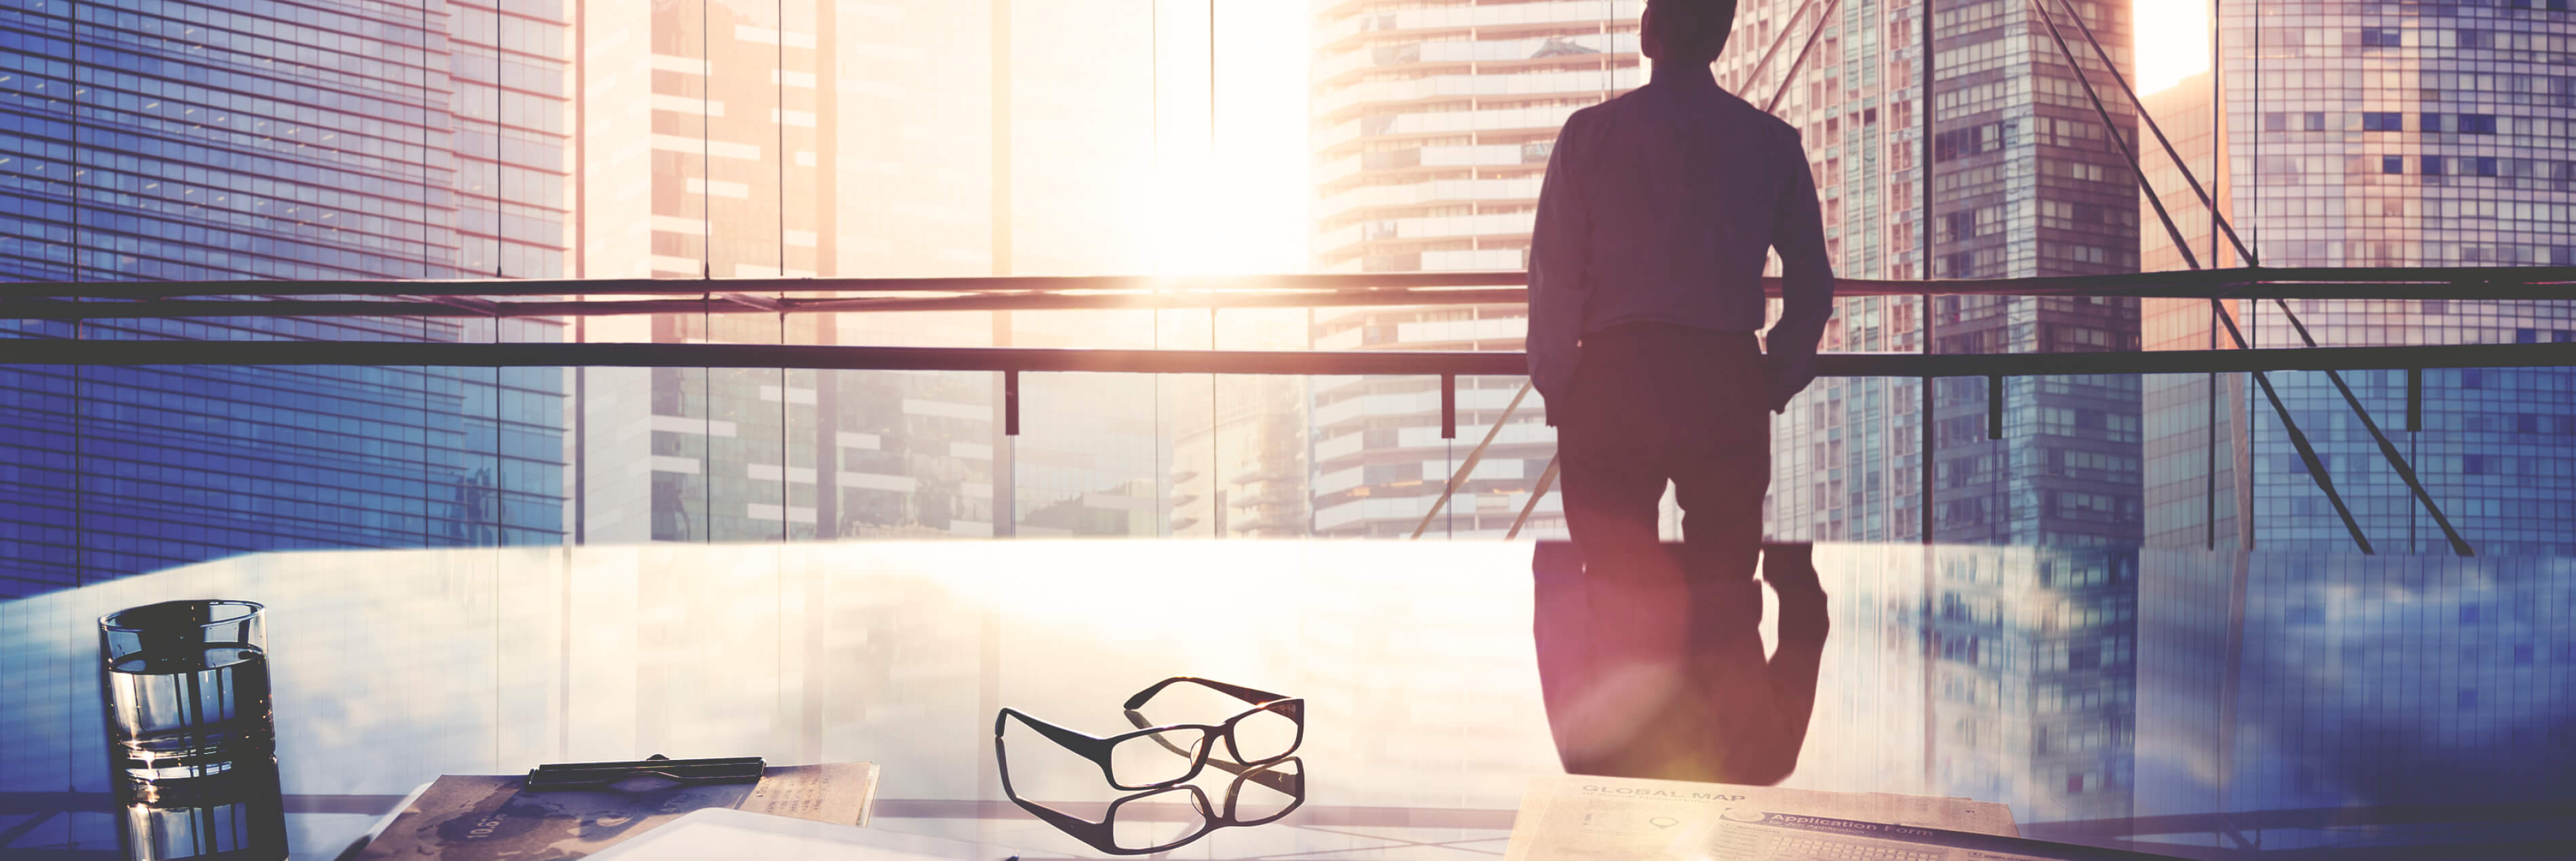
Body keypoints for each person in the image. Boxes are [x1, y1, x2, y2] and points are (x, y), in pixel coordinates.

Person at [1524, 0, 1835, 783]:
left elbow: (1552, 281)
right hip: (1721, 378)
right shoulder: (1770, 145)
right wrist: (1775, 372)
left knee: (1623, 583)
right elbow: (1812, 284)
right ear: (1725, 35)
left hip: (1615, 378)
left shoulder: (1587, 139)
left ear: (1647, 31)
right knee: (1724, 579)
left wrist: (1562, 385)